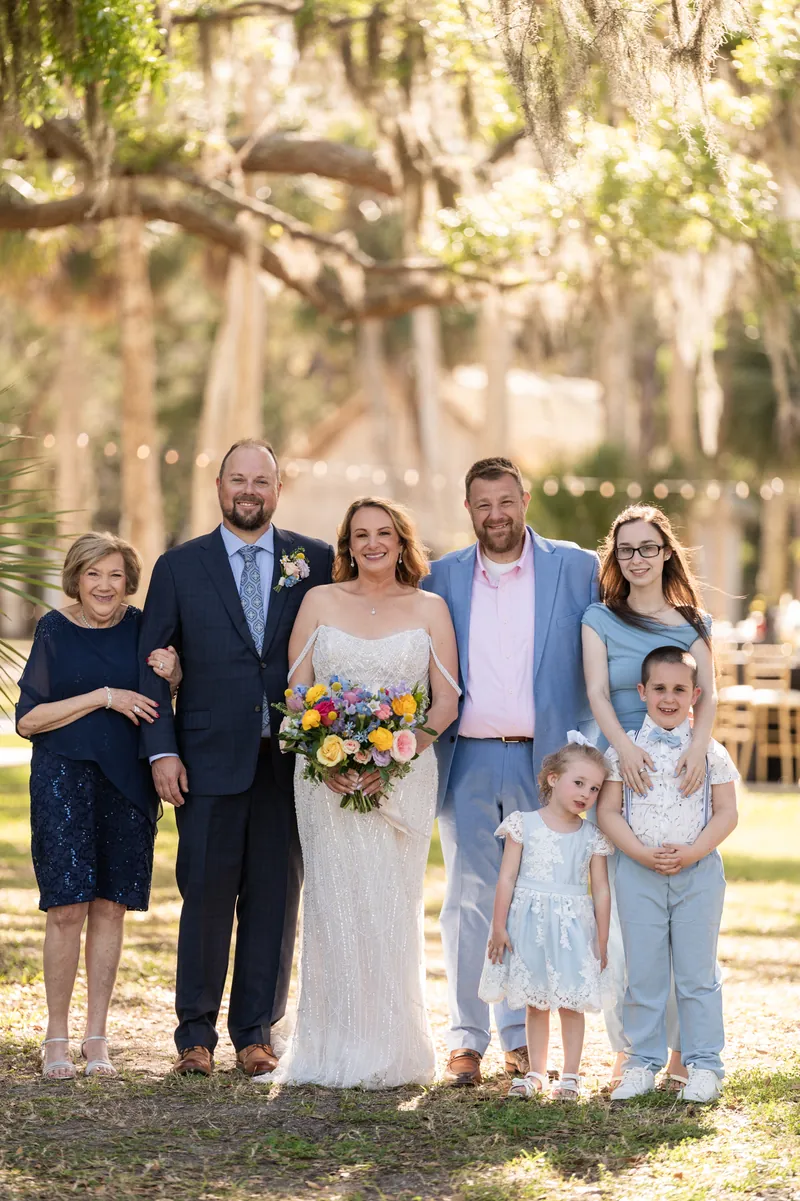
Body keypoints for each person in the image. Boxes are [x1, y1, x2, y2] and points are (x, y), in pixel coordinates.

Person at [138, 439, 333, 1078]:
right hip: (204, 759)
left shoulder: (316, 560)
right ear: (219, 485)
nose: (250, 491)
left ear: (279, 489)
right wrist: (162, 749)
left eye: (263, 481)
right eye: (239, 480)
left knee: (275, 900)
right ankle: (194, 1035)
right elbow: (152, 665)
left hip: (288, 760)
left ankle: (255, 1031)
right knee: (205, 898)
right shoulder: (178, 565)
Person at [272, 497, 460, 1088]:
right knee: (332, 903)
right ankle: (329, 1044)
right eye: (360, 535)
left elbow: (447, 702)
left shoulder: (431, 608)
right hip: (324, 775)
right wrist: (326, 754)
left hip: (403, 775)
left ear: (403, 542)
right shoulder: (319, 601)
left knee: (390, 904)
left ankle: (392, 1046)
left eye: (385, 533)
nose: (373, 543)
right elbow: (297, 693)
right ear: (347, 544)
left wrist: (395, 755)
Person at [423, 457, 598, 1086]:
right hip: (466, 754)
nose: (495, 516)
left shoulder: (577, 568)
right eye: (482, 505)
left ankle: (523, 1039)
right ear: (467, 509)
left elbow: (610, 642)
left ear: (525, 499)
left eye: (506, 501)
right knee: (470, 898)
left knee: (537, 899)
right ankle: (466, 1040)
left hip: (546, 760)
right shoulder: (440, 575)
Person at [16, 532, 180, 1079]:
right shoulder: (54, 630)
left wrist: (174, 673)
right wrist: (103, 697)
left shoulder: (141, 629)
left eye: (114, 575)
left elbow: (167, 690)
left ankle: (97, 1039)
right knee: (66, 908)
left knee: (111, 906)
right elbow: (28, 720)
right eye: (93, 574)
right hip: (63, 778)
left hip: (126, 781)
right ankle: (56, 1037)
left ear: (127, 582)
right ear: (76, 578)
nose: (104, 585)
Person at [581, 503, 717, 1090]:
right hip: (624, 766)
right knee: (627, 919)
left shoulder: (693, 620)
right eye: (626, 549)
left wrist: (698, 750)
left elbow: (710, 694)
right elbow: (596, 691)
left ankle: (687, 1053)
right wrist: (625, 751)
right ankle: (634, 1051)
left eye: (648, 547)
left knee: (686, 922)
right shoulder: (597, 617)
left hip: (682, 765)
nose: (637, 559)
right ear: (616, 557)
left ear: (666, 552)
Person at [597, 646, 739, 1103]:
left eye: (680, 689)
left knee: (697, 975)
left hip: (697, 873)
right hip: (639, 873)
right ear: (642, 692)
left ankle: (705, 1064)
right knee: (643, 973)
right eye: (659, 688)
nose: (669, 698)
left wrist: (696, 850)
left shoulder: (710, 752)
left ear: (695, 695)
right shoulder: (623, 751)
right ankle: (642, 1061)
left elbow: (727, 812)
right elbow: (608, 811)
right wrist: (637, 853)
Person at [479, 736, 612, 1100]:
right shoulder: (524, 825)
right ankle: (537, 1072)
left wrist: (601, 937)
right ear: (553, 779)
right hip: (530, 926)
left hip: (571, 929)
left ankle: (570, 1075)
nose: (586, 793)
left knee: (570, 1001)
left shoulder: (591, 836)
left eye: (595, 788)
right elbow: (506, 877)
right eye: (579, 783)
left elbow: (600, 889)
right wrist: (498, 925)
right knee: (537, 1001)